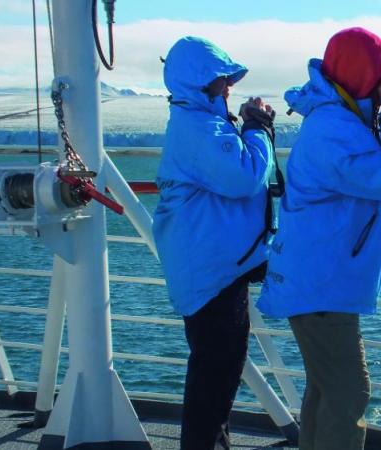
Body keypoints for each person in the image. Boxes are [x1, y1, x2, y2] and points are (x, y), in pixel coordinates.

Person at [256, 27, 381, 450]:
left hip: (318, 277)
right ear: (364, 75)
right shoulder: (334, 128)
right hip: (322, 283)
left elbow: (368, 167)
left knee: (326, 389)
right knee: (349, 392)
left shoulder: (336, 119)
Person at [153, 36, 276, 450]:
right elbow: (244, 177)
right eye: (222, 80)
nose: (228, 88)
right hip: (212, 275)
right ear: (202, 84)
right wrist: (259, 129)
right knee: (214, 380)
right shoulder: (198, 127)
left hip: (211, 269)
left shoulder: (198, 123)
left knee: (214, 377)